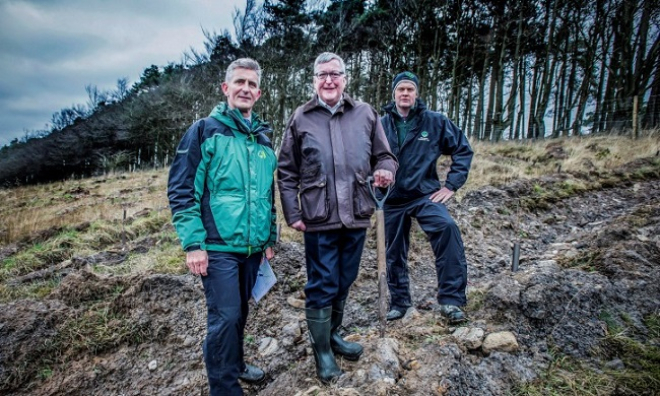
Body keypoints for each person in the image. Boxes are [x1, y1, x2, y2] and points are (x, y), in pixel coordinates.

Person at [278, 52, 398, 383]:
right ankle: (322, 354)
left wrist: (385, 170)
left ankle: (333, 335)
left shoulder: (365, 114)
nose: (328, 80)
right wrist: (292, 212)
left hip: (357, 213)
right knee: (322, 284)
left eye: (335, 74)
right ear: (313, 81)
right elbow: (286, 171)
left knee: (344, 280)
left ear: (345, 78)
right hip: (318, 218)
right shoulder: (301, 118)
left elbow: (385, 155)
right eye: (322, 75)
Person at [167, 58, 277, 396]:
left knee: (241, 313)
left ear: (258, 93)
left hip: (252, 248)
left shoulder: (263, 140)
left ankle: (237, 364)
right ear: (226, 88)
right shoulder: (204, 130)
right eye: (239, 82)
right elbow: (182, 188)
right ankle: (224, 388)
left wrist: (269, 237)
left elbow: (267, 195)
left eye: (251, 84)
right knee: (225, 318)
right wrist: (193, 244)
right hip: (216, 247)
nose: (245, 88)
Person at [380, 71, 473, 325]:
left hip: (425, 194)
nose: (405, 93)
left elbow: (463, 149)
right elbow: (367, 159)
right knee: (393, 251)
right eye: (401, 89)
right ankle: (399, 303)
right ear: (394, 94)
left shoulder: (434, 122)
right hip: (392, 200)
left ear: (417, 93)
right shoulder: (380, 125)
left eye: (410, 89)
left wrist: (451, 185)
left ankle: (451, 300)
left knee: (447, 228)